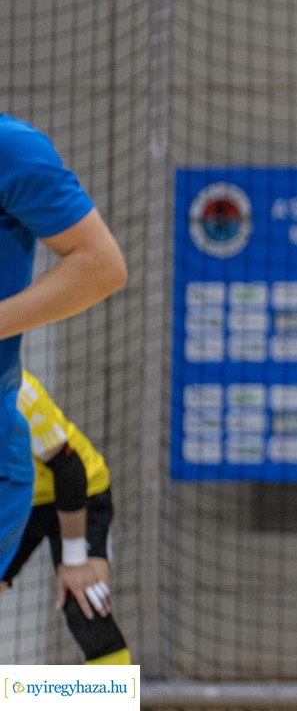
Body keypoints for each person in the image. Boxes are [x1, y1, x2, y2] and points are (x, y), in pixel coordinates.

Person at [0, 114, 126, 572]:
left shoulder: (11, 148)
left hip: (64, 489)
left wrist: (78, 558)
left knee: (87, 611)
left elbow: (101, 267)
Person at [0, 370, 130, 665]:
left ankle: (110, 698)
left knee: (84, 604)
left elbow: (69, 469)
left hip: (77, 491)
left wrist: (74, 561)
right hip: (19, 501)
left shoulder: (18, 393)